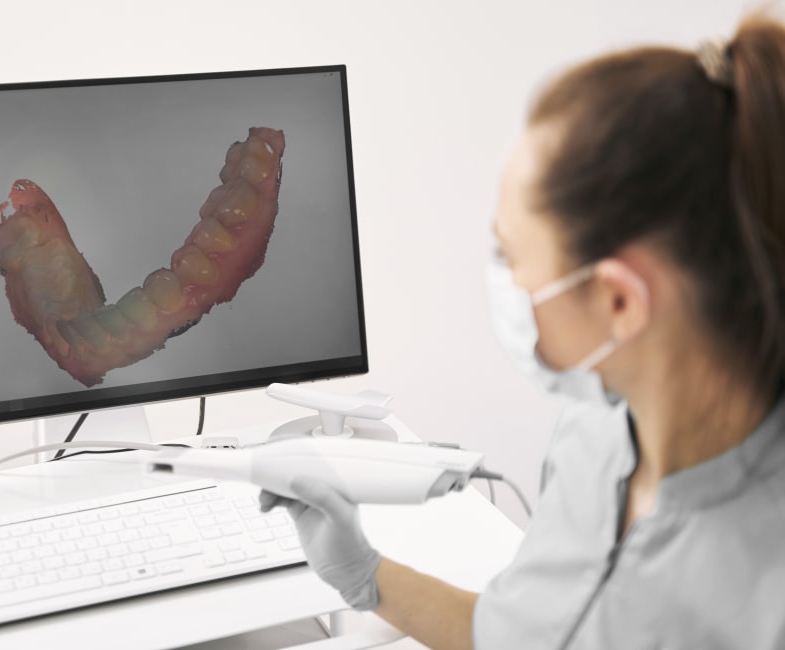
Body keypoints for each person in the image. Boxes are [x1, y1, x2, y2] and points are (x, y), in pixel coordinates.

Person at [260, 12, 785, 650]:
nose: (500, 279)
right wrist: (364, 574)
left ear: (619, 300)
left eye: (511, 254)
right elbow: (523, 635)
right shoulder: (594, 436)